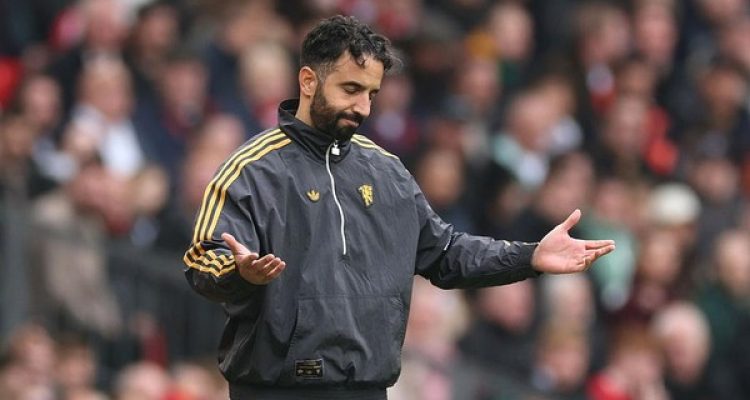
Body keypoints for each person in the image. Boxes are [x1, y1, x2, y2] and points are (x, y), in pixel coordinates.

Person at [183, 15, 615, 400]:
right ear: (308, 81)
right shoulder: (252, 169)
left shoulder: (387, 172)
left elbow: (445, 254)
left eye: (372, 93)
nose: (363, 107)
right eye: (351, 89)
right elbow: (203, 258)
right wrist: (239, 272)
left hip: (368, 388)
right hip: (274, 391)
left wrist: (530, 256)